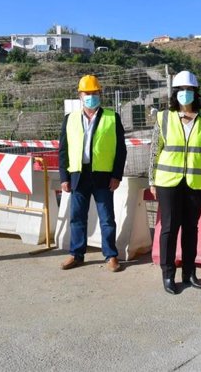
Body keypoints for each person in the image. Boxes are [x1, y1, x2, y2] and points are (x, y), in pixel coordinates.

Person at [148, 70, 201, 294]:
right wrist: (151, 178)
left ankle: (189, 273)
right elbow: (154, 151)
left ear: (196, 93)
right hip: (168, 181)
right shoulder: (164, 117)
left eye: (190, 90)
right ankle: (168, 275)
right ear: (175, 93)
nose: (185, 94)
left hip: (196, 182)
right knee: (169, 228)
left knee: (191, 228)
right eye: (181, 90)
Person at [58, 74, 127, 272]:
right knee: (77, 217)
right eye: (88, 93)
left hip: (103, 175)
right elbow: (63, 150)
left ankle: (111, 256)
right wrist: (64, 177)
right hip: (78, 174)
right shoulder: (69, 119)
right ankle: (76, 253)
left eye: (95, 93)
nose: (91, 96)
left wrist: (116, 175)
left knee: (107, 218)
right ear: (80, 95)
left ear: (100, 94)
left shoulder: (112, 118)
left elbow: (121, 150)